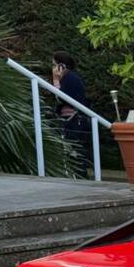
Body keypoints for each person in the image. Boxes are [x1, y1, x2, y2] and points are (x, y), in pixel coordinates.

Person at [51, 51, 90, 179]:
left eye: (54, 65)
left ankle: (80, 178)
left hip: (74, 120)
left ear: (61, 66)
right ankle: (77, 177)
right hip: (70, 119)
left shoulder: (70, 78)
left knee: (76, 152)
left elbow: (60, 98)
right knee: (72, 152)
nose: (53, 68)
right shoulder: (68, 78)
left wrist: (56, 80)